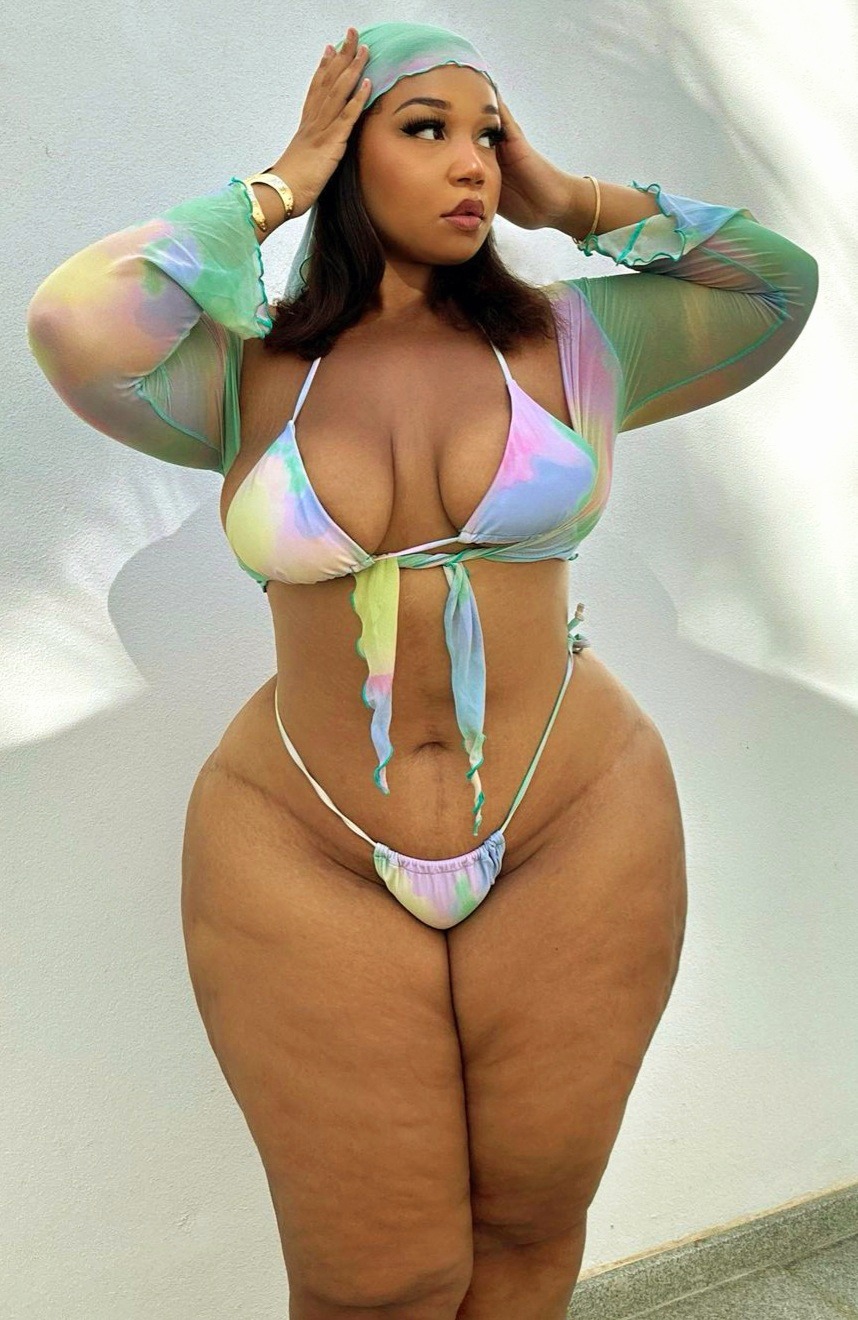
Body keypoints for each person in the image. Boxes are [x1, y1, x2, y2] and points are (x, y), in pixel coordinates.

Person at [25, 19, 819, 1320]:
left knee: (528, 1238)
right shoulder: (242, 370)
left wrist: (572, 201)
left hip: (574, 820)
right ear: (351, 157)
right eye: (427, 128)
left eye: (490, 134)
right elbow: (76, 320)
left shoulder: (579, 340)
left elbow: (774, 285)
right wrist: (278, 184)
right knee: (373, 1283)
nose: (473, 162)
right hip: (304, 842)